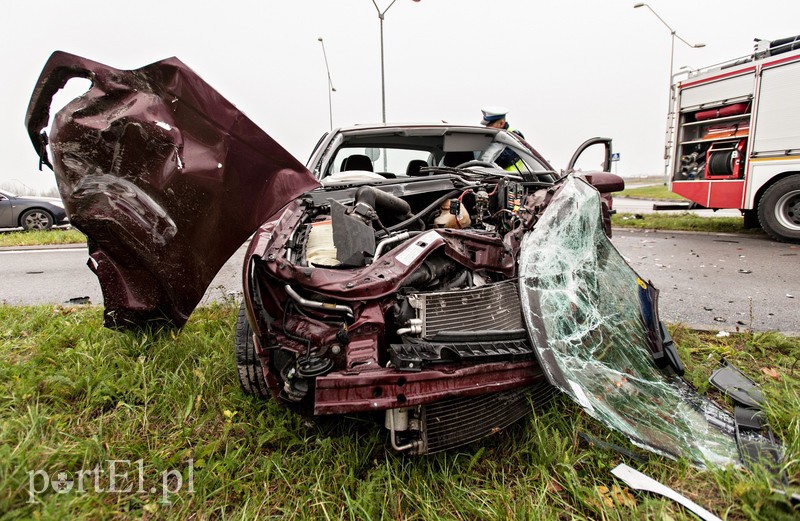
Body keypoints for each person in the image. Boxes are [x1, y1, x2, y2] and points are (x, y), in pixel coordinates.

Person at [479, 106, 525, 172]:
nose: (487, 128)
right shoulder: (492, 137)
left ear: (501, 123)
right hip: (491, 179)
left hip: (512, 179)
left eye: (489, 125)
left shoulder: (515, 136)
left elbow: (503, 161)